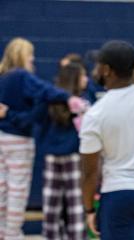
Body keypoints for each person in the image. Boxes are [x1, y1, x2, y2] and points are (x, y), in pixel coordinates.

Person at [0, 37, 78, 240]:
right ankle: (12, 235)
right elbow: (46, 91)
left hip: (1, 139)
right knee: (17, 191)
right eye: (30, 54)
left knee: (1, 191)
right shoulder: (21, 75)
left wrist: (9, 114)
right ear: (22, 55)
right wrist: (68, 97)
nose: (33, 58)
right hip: (18, 142)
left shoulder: (3, 76)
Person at [78, 40, 134, 240]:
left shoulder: (95, 113)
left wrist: (88, 210)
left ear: (106, 70)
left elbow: (90, 172)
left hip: (117, 196)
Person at [31, 63, 90, 240]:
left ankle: (51, 236)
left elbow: (36, 121)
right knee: (75, 207)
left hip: (51, 157)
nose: (86, 79)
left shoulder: (51, 100)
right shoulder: (80, 102)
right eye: (82, 76)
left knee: (51, 207)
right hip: (73, 157)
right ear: (75, 80)